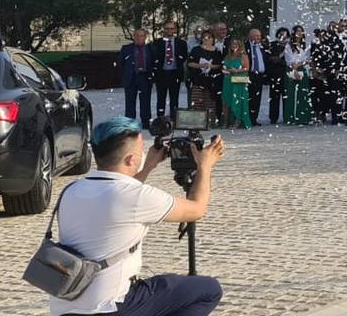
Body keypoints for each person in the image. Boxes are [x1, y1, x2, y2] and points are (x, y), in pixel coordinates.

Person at [49, 117, 225, 316]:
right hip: (112, 307)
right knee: (209, 290)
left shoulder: (71, 190)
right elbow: (197, 208)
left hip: (64, 304)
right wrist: (205, 166)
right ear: (131, 160)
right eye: (141, 150)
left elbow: (117, 194)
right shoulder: (137, 196)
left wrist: (148, 167)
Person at [151, 21, 188, 118]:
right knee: (161, 98)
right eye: (167, 28)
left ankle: (173, 119)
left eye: (171, 28)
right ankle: (160, 119)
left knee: (174, 98)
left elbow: (184, 57)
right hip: (161, 73)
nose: (169, 31)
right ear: (164, 29)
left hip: (175, 73)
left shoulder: (181, 43)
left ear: (175, 30)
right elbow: (154, 57)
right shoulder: (157, 43)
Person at [186, 31, 223, 125]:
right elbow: (189, 63)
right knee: (197, 101)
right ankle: (197, 123)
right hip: (198, 79)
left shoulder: (217, 51)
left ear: (213, 39)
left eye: (209, 37)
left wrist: (210, 66)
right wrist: (200, 65)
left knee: (210, 102)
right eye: (204, 37)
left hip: (212, 80)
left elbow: (219, 65)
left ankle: (211, 122)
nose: (207, 39)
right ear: (201, 39)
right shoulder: (196, 50)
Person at [120, 30, 154, 126]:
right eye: (137, 36)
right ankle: (130, 122)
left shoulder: (150, 48)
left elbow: (152, 62)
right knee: (130, 101)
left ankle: (146, 121)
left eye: (142, 36)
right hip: (131, 77)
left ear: (145, 37)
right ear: (134, 37)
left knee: (145, 101)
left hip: (145, 77)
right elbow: (121, 63)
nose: (139, 38)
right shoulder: (126, 48)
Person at [283, 25, 312, 125]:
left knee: (302, 93)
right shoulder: (288, 45)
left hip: (302, 69)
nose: (299, 33)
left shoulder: (306, 45)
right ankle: (290, 117)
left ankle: (302, 117)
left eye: (301, 31)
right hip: (291, 69)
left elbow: (308, 59)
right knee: (291, 94)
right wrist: (294, 69)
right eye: (298, 31)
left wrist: (300, 64)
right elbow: (288, 59)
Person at [220, 39, 252, 130]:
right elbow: (224, 67)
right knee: (226, 101)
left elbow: (247, 68)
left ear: (240, 45)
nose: (234, 45)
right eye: (232, 43)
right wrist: (224, 70)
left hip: (239, 81)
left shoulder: (243, 55)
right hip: (227, 81)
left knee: (237, 100)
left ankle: (237, 121)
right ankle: (225, 122)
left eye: (236, 43)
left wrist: (236, 70)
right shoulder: (227, 56)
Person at [266, 28, 290, 125]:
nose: (282, 36)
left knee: (286, 97)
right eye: (280, 34)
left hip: (285, 74)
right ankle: (273, 118)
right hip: (274, 75)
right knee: (274, 98)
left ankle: (286, 116)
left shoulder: (289, 46)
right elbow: (267, 57)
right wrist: (272, 59)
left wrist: (281, 61)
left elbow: (291, 59)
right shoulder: (272, 45)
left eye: (284, 34)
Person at [245, 29, 269, 126]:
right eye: (256, 36)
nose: (258, 38)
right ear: (250, 36)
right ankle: (247, 118)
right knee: (248, 97)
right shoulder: (245, 46)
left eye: (259, 36)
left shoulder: (263, 46)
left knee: (257, 97)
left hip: (259, 75)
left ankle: (254, 119)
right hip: (249, 74)